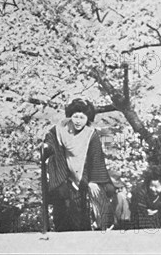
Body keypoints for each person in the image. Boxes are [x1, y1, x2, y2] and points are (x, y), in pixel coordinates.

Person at [43, 98, 115, 231]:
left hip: (86, 172)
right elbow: (50, 139)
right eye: (75, 116)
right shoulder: (60, 129)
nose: (78, 121)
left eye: (82, 117)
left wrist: (94, 181)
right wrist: (47, 146)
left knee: (91, 199)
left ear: (87, 118)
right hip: (65, 173)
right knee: (63, 200)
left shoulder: (91, 134)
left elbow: (96, 158)